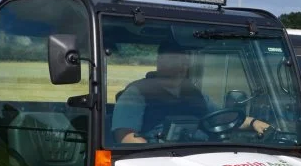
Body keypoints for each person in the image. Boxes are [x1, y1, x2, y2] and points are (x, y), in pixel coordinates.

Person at [112, 41, 271, 143]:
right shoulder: (138, 92)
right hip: (159, 161)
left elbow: (221, 117)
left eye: (184, 61)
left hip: (200, 156)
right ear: (160, 62)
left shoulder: (195, 93)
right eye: (176, 61)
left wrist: (253, 122)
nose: (182, 66)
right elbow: (126, 137)